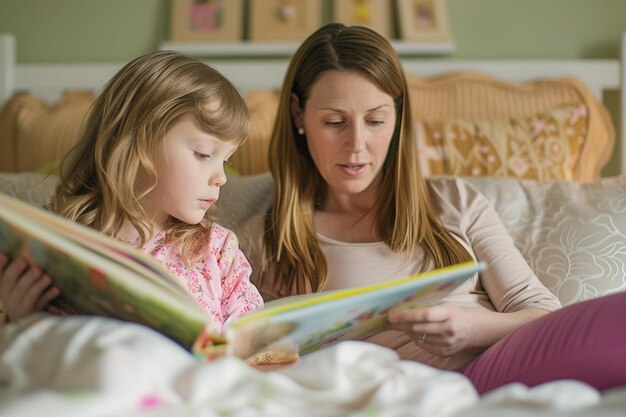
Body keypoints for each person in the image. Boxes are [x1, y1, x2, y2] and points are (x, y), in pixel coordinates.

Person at [241, 23, 626, 394]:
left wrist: (474, 328)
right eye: (335, 121)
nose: (357, 144)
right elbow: (246, 356)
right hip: (390, 393)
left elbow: (543, 315)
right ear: (298, 115)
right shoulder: (266, 240)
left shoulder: (454, 201)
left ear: (397, 117)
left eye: (375, 120)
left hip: (493, 365)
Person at [0, 50, 263, 331]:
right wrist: (19, 316)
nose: (221, 177)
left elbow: (254, 342)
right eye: (203, 153)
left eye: (227, 159)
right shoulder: (58, 245)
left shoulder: (217, 250)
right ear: (136, 143)